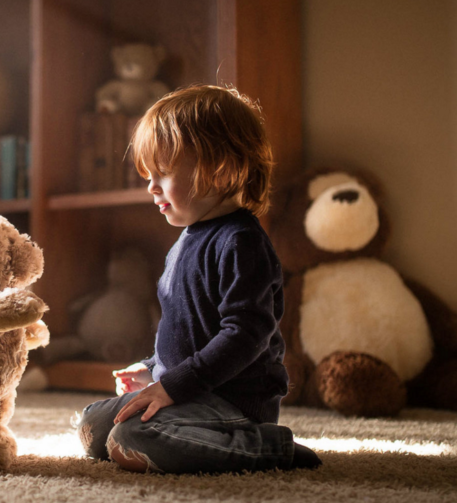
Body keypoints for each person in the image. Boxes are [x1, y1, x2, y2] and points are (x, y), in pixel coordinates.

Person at [75, 84, 321, 474]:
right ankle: (180, 429)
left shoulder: (241, 242)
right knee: (93, 426)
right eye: (148, 174)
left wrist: (172, 386)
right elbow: (187, 330)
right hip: (191, 391)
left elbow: (246, 334)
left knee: (131, 439)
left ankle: (269, 447)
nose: (151, 187)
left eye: (164, 173)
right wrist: (152, 368)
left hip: (232, 403)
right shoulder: (185, 241)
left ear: (220, 171)